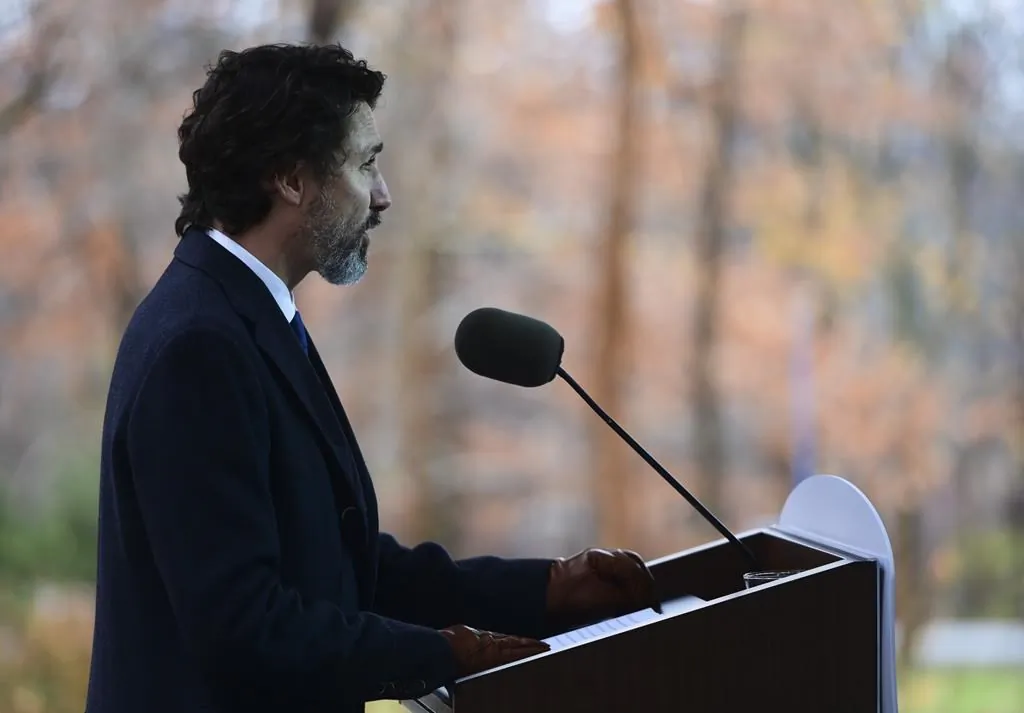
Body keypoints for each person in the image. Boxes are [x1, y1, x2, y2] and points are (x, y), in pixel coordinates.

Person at [84, 43, 660, 713]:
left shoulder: (244, 313)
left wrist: (548, 588)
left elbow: (340, 564)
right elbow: (243, 626)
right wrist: (442, 655)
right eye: (364, 165)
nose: (383, 195)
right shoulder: (200, 344)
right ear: (291, 179)